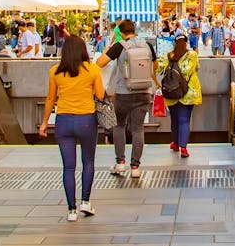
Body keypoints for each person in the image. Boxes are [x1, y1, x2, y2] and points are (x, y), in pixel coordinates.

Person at [38, 35, 104, 221]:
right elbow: (100, 94)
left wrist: (44, 123)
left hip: (63, 120)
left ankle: (71, 210)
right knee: (88, 161)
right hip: (86, 120)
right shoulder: (92, 70)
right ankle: (85, 201)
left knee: (68, 167)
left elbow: (51, 98)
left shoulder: (55, 71)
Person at [95, 18, 157, 178]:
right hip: (144, 91)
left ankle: (120, 163)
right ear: (134, 31)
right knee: (138, 129)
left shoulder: (119, 46)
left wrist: (108, 49)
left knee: (119, 125)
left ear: (121, 33)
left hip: (124, 93)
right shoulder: (147, 46)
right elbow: (154, 66)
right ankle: (135, 167)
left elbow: (99, 63)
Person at [159, 37, 201, 157]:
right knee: (184, 120)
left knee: (174, 119)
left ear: (175, 43)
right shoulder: (192, 55)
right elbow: (197, 68)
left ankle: (175, 144)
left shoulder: (168, 56)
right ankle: (183, 148)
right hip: (189, 92)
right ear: (186, 43)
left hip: (171, 91)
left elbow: (158, 68)